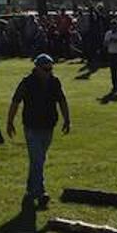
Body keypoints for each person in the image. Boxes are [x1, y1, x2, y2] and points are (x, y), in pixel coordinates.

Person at [6, 54, 71, 209]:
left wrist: (67, 119)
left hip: (48, 126)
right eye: (46, 70)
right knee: (38, 159)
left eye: (51, 69)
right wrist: (10, 122)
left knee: (38, 159)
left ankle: (30, 189)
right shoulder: (27, 83)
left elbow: (62, 101)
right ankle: (40, 192)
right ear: (37, 68)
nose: (49, 72)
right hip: (32, 126)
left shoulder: (55, 82)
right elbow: (15, 101)